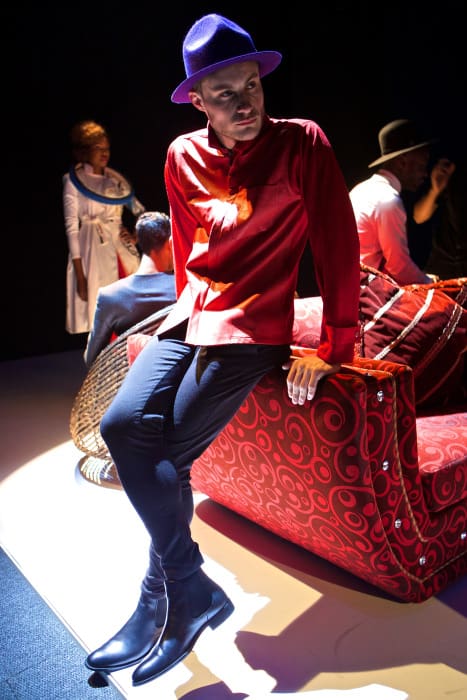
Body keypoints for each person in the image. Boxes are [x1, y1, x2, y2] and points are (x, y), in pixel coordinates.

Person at [85, 13, 360, 688]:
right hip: (191, 315)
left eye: (251, 85)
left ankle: (162, 602)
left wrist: (333, 345)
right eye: (225, 93)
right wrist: (178, 313)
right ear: (198, 102)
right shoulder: (181, 155)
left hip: (251, 328)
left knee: (168, 457)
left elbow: (336, 246)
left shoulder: (302, 144)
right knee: (121, 427)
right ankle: (188, 590)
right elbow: (186, 247)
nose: (245, 103)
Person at [63, 120, 145, 335]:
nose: (104, 152)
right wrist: (80, 276)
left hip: (119, 245)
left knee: (130, 303)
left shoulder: (116, 181)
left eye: (106, 147)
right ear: (84, 151)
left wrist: (136, 235)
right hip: (92, 248)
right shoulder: (74, 180)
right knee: (102, 310)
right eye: (97, 147)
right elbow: (71, 228)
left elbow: (140, 211)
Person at [349, 118, 455, 286]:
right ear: (402, 161)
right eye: (422, 165)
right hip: (367, 290)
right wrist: (431, 284)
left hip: (353, 284)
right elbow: (399, 267)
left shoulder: (360, 189)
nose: (425, 174)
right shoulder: (388, 199)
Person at [83, 211, 176, 367]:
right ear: (171, 243)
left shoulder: (109, 296)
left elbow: (91, 358)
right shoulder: (184, 288)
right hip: (179, 377)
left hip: (131, 377)